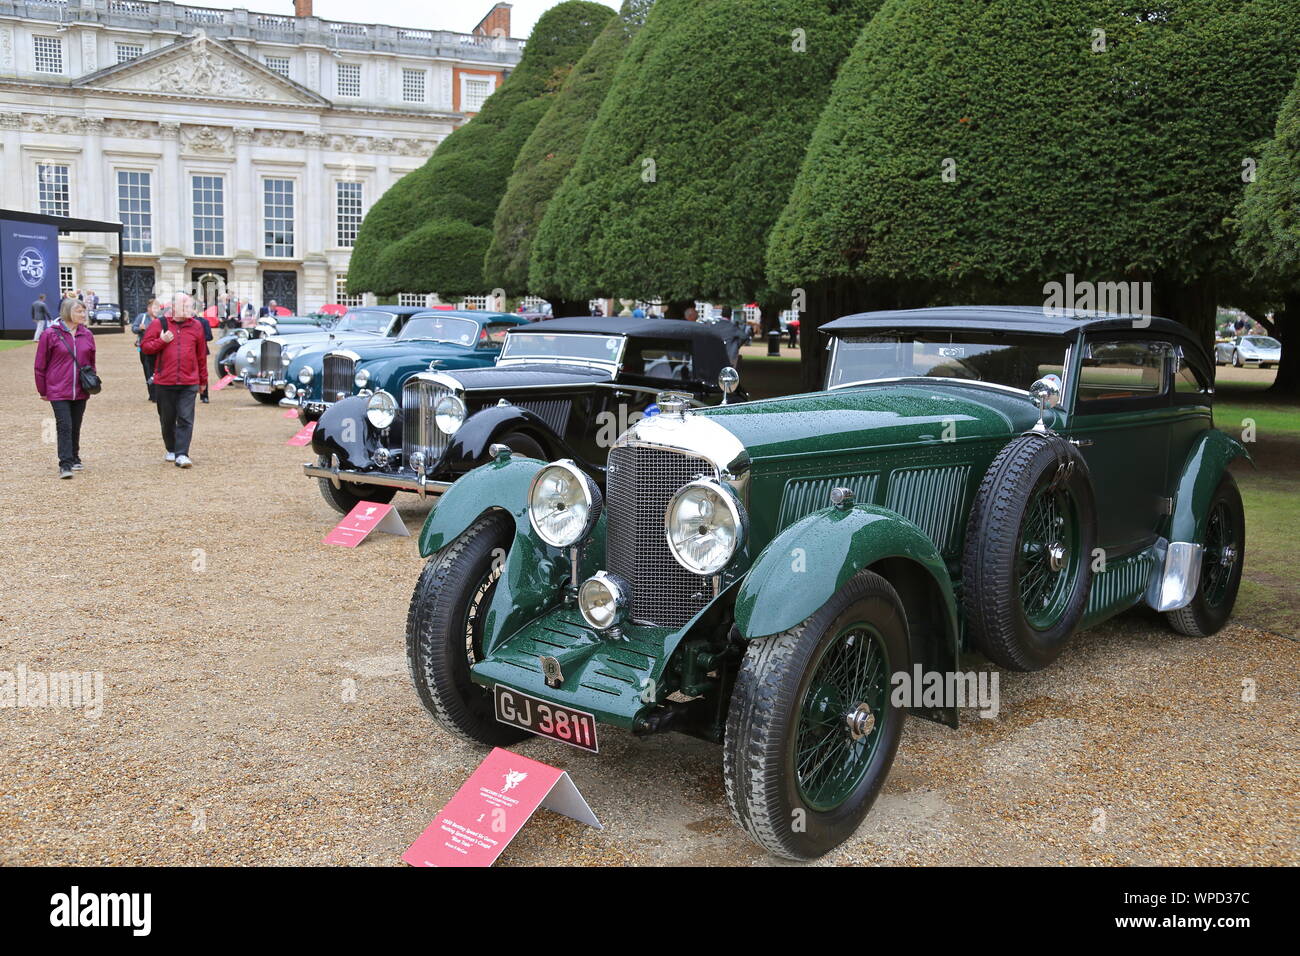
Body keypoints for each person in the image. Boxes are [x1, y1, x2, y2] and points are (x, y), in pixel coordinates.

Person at [141, 292, 207, 468]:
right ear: (173, 307)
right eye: (185, 305)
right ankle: (171, 448)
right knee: (167, 419)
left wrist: (203, 381)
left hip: (189, 381)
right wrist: (161, 341)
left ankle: (182, 454)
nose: (190, 309)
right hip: (165, 380)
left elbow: (201, 355)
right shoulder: (159, 324)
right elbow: (145, 347)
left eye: (191, 306)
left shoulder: (196, 326)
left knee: (186, 418)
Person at [34, 297, 97, 479]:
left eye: (84, 311)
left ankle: (75, 456)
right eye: (79, 311)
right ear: (67, 311)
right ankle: (65, 464)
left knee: (76, 424)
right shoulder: (50, 334)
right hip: (58, 388)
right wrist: (43, 390)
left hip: (80, 389)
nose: (83, 314)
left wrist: (91, 381)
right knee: (64, 425)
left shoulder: (87, 334)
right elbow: (40, 365)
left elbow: (91, 362)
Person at [133, 298, 163, 402]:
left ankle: (158, 393)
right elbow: (134, 328)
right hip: (145, 348)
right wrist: (139, 328)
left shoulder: (161, 319)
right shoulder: (142, 317)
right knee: (148, 370)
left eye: (158, 307)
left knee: (158, 369)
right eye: (154, 307)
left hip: (158, 347)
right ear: (149, 308)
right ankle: (152, 394)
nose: (156, 309)